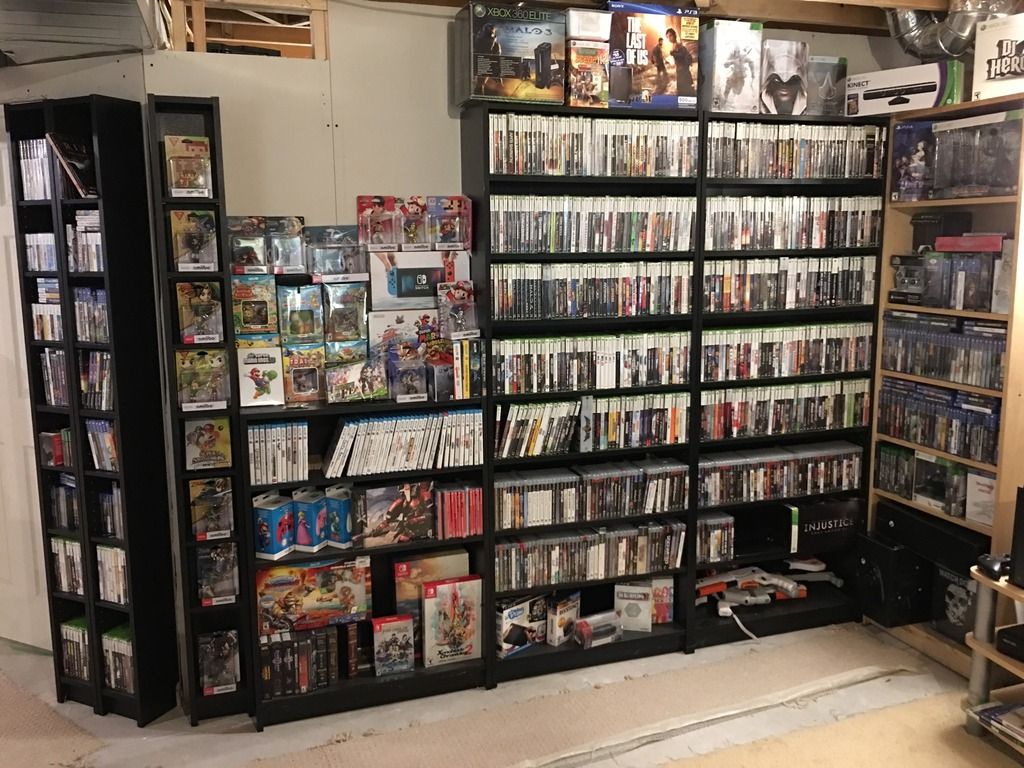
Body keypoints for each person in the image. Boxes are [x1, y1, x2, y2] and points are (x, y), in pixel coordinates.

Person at [665, 27, 694, 97]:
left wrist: (673, 53)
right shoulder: (674, 45)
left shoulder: (679, 45)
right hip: (680, 71)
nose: (669, 38)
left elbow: (682, 55)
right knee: (682, 91)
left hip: (683, 72)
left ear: (674, 35)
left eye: (670, 36)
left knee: (685, 91)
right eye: (668, 37)